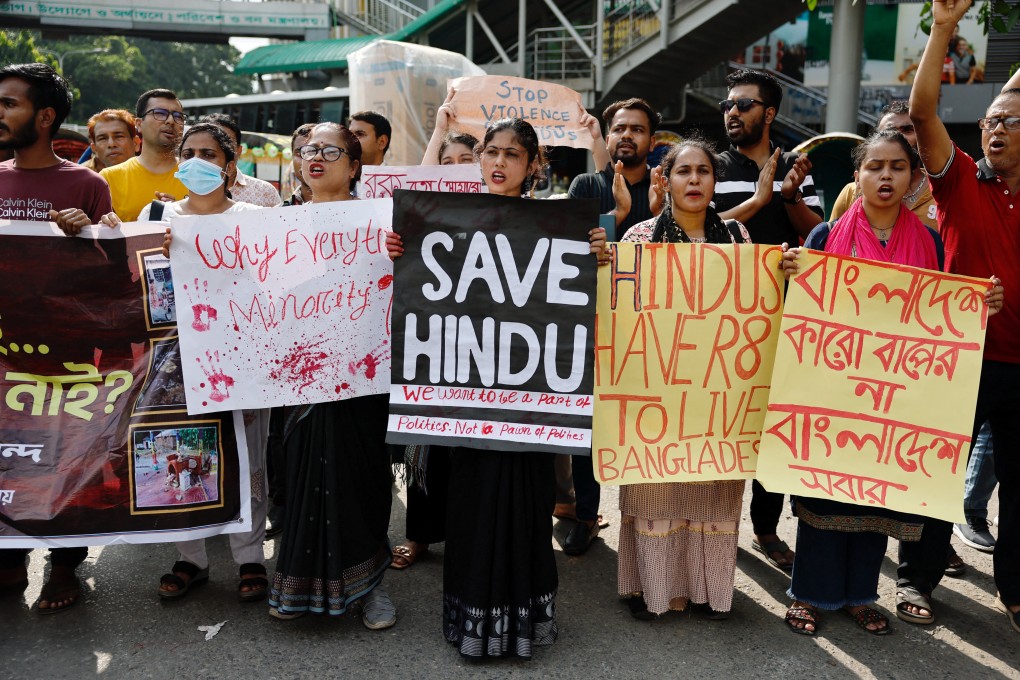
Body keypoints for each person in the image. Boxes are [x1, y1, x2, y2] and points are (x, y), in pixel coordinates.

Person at [386, 117, 607, 658]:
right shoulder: (447, 223)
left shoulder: (559, 224)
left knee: (525, 510)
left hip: (528, 405)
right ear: (481, 158)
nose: (499, 162)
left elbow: (578, 300)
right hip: (468, 403)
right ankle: (472, 622)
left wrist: (597, 255)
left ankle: (520, 623)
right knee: (470, 510)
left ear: (533, 165)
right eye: (491, 151)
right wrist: (403, 250)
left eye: (513, 154)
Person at [778, 130, 1000, 637]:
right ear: (857, 175)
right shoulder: (824, 237)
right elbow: (799, 315)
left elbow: (948, 314)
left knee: (873, 499)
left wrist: (981, 303)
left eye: (897, 167)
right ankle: (809, 595)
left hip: (895, 402)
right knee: (823, 496)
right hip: (831, 394)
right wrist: (790, 273)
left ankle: (859, 595)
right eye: (874, 166)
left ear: (914, 179)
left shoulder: (931, 242)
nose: (884, 176)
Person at [106, 123, 271, 602]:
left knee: (245, 456)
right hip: (171, 365)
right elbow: (128, 282)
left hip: (240, 360)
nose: (197, 161)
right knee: (179, 451)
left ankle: (250, 557)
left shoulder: (253, 217)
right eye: (189, 153)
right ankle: (191, 557)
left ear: (230, 162)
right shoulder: (155, 216)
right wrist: (126, 240)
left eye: (208, 153)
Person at [903, 0, 1020, 635]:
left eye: (1009, 122)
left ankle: (1015, 590)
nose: (994, 130)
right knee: (937, 474)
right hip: (958, 359)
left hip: (1019, 365)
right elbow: (922, 113)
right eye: (990, 121)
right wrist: (944, 27)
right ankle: (915, 578)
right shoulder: (959, 180)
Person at [266, 122, 397, 630]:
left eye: (330, 150)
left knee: (362, 480)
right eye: (307, 149)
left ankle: (371, 588)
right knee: (302, 480)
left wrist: (397, 256)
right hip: (299, 383)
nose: (315, 157)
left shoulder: (382, 222)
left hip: (364, 378)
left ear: (354, 164)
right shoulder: (272, 226)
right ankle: (299, 587)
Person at [616, 137, 751, 621]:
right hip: (657, 395)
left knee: (713, 491)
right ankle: (654, 591)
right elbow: (621, 315)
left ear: (715, 181)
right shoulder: (639, 240)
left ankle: (707, 592)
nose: (694, 180)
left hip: (719, 396)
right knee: (658, 490)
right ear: (666, 180)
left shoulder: (737, 238)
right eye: (683, 172)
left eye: (704, 172)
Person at [0, 62, 113, 613]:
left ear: (44, 117)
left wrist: (86, 235)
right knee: (8, 460)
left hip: (68, 363)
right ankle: (9, 557)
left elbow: (117, 280)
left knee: (66, 463)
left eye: (9, 104)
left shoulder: (87, 186)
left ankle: (65, 568)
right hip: (3, 359)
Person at [712, 68, 823, 573]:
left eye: (744, 104)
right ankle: (714, 525)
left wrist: (790, 197)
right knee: (721, 422)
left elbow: (818, 236)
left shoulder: (798, 166)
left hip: (785, 318)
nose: (732, 112)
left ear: (770, 112)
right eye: (728, 105)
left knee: (773, 426)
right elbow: (704, 232)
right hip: (722, 317)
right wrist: (758, 199)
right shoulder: (712, 165)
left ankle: (764, 527)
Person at [563, 97, 664, 555]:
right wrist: (619, 219)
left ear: (652, 141)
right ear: (607, 137)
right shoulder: (587, 183)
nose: (627, 136)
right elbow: (570, 250)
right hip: (592, 325)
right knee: (588, 430)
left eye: (637, 129)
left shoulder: (665, 186)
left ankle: (642, 526)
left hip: (649, 328)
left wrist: (656, 215)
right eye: (619, 128)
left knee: (643, 427)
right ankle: (586, 514)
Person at [389, 128, 481, 571]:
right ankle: (421, 536)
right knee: (428, 444)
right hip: (431, 343)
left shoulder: (498, 212)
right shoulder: (421, 217)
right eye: (449, 162)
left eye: (469, 159)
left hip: (483, 348)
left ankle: (467, 535)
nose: (458, 168)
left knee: (470, 453)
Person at [100, 89, 188, 222]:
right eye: (160, 113)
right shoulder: (109, 178)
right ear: (139, 124)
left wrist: (182, 212)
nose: (170, 121)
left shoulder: (196, 177)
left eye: (178, 116)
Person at [198, 113, 281, 208]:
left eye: (225, 145)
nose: (218, 152)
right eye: (209, 146)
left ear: (239, 151)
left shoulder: (265, 192)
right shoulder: (187, 187)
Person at [82, 109, 138, 173]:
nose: (111, 144)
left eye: (119, 136)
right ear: (94, 148)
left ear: (136, 143)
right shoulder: (80, 177)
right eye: (102, 138)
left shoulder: (150, 172)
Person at [283, 123, 315, 206]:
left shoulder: (351, 208)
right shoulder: (280, 212)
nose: (307, 159)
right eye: (301, 153)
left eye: (313, 151)